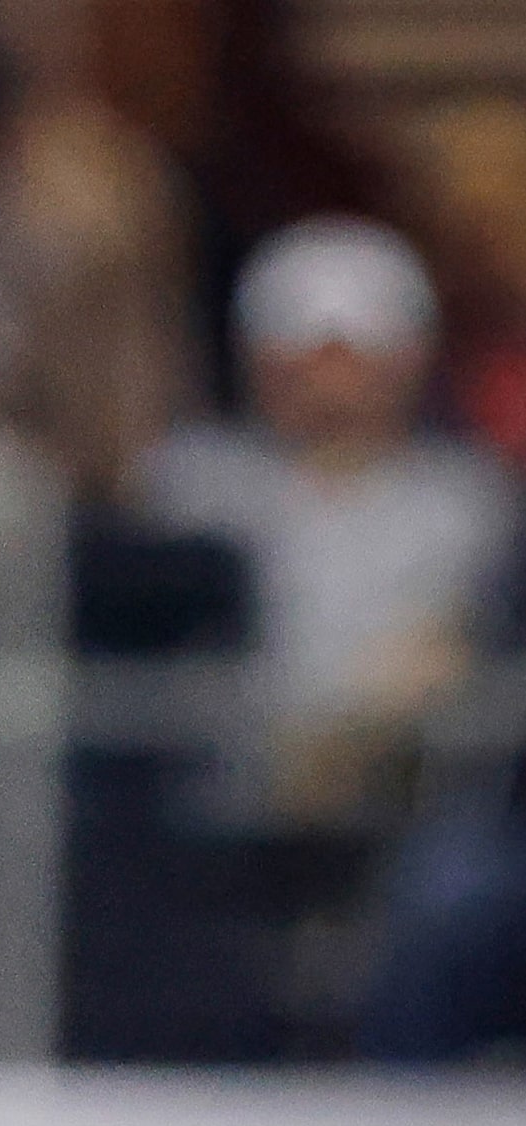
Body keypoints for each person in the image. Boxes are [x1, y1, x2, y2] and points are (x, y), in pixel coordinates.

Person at [137, 215, 519, 824]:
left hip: (414, 805)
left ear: (408, 359)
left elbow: (452, 646)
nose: (331, 381)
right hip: (214, 800)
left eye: (355, 356)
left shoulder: (463, 496)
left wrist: (345, 739)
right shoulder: (194, 482)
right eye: (307, 355)